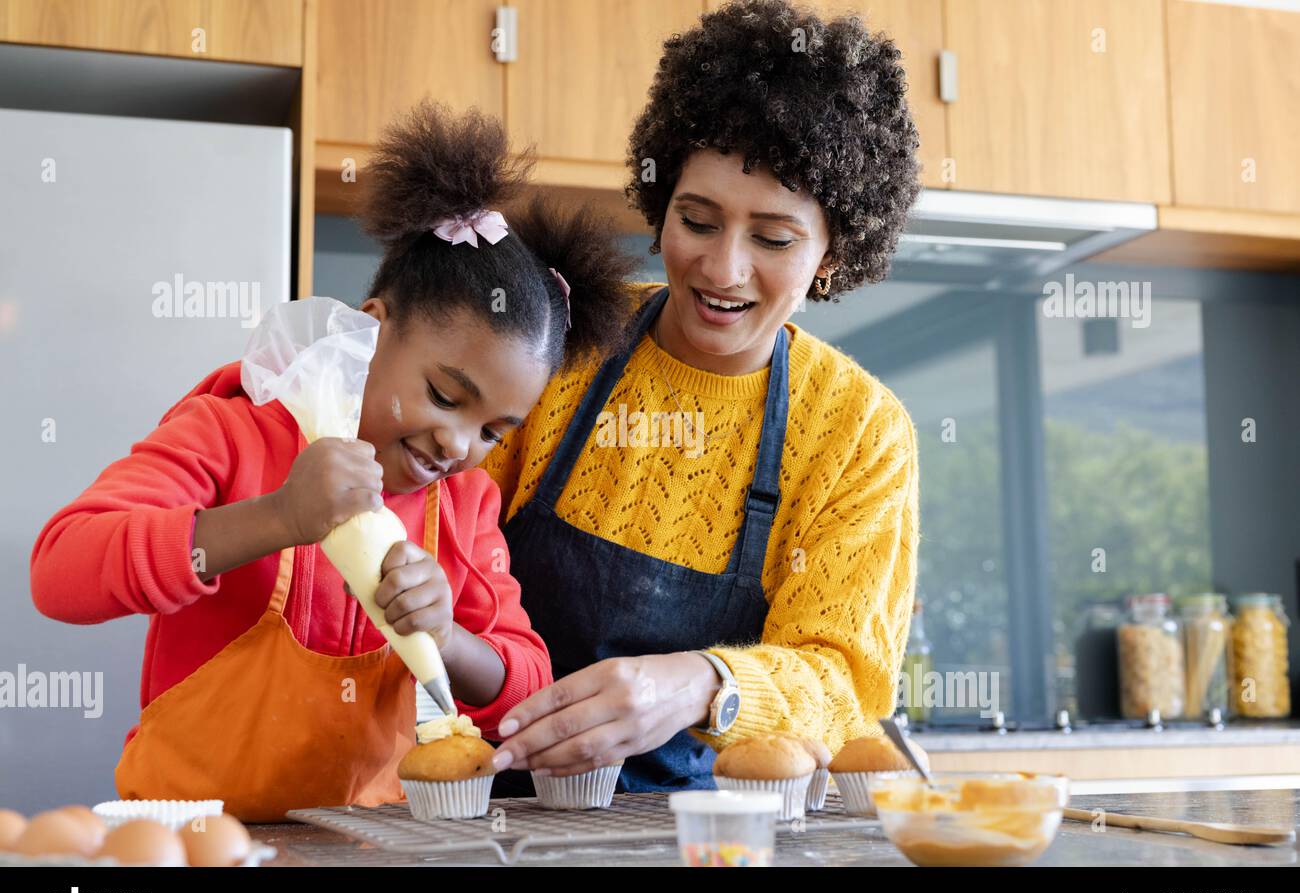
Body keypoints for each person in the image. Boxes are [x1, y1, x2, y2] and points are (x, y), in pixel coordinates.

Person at [29, 101, 636, 821]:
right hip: (191, 838)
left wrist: (448, 636)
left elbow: (526, 673)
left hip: (371, 843)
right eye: (445, 395)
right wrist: (277, 516)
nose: (457, 445)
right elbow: (60, 569)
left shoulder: (463, 508)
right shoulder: (232, 433)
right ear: (370, 331)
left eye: (492, 433)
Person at [483, 0, 923, 794]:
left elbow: (844, 680)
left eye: (774, 238)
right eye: (698, 218)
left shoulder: (859, 430)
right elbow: (440, 530)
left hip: (710, 832)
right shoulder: (565, 335)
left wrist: (704, 683)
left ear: (834, 251)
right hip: (489, 801)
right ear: (659, 209)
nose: (723, 268)